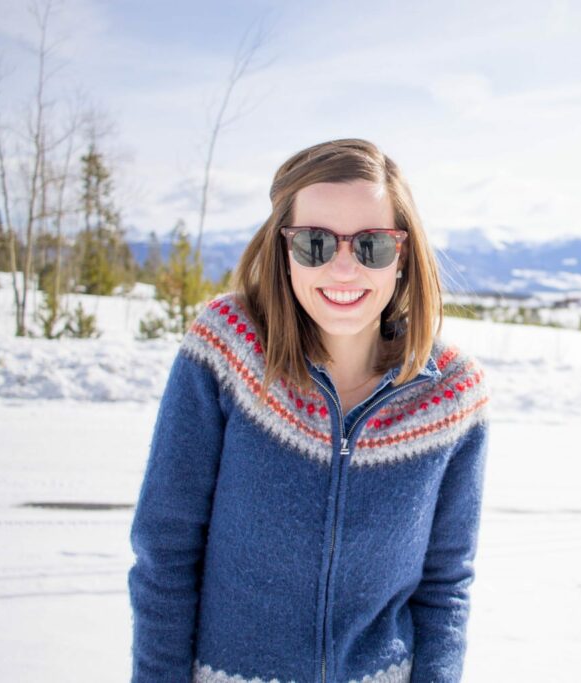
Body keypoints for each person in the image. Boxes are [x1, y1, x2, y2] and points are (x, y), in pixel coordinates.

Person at [128, 139, 490, 683]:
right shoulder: (226, 349)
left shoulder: (453, 393)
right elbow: (166, 549)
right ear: (283, 249)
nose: (344, 270)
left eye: (372, 245)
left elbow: (445, 584)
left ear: (404, 254)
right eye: (315, 243)